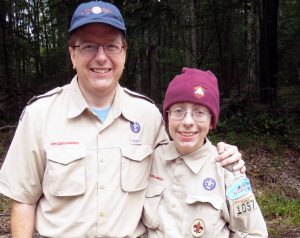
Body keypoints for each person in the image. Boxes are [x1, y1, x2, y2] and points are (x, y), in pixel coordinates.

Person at [0, 2, 245, 237]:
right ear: (72, 55)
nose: (101, 57)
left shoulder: (148, 116)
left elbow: (183, 161)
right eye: (88, 47)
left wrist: (222, 157)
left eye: (111, 46)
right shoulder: (40, 115)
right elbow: (23, 200)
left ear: (124, 53)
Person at [142, 67, 268, 237]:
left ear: (211, 121)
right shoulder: (149, 161)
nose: (187, 121)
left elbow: (254, 233)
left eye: (199, 112)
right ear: (167, 116)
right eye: (178, 111)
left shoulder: (227, 170)